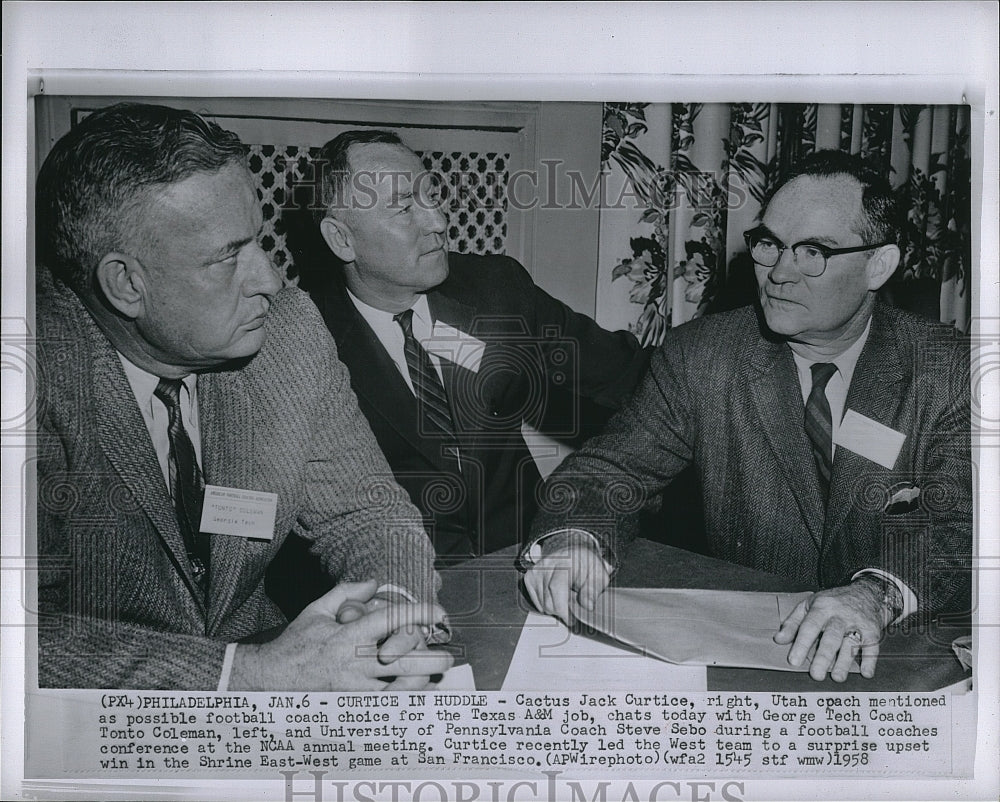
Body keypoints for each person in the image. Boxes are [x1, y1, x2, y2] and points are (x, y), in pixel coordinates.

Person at [34, 103, 451, 690]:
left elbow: (368, 511)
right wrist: (239, 678)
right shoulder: (32, 374)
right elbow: (21, 634)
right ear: (125, 283)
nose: (270, 280)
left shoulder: (287, 332)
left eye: (257, 241)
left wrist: (388, 610)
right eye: (229, 255)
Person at [524, 150, 972, 683]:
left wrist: (875, 593)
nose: (779, 273)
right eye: (770, 245)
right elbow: (611, 471)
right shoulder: (703, 355)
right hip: (751, 656)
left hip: (902, 653)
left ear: (879, 265)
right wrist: (575, 536)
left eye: (814, 252)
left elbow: (963, 521)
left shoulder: (952, 369)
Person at [267, 129, 648, 613]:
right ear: (342, 239)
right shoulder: (299, 341)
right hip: (401, 601)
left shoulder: (496, 290)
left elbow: (635, 378)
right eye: (405, 207)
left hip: (531, 576)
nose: (438, 220)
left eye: (431, 194)